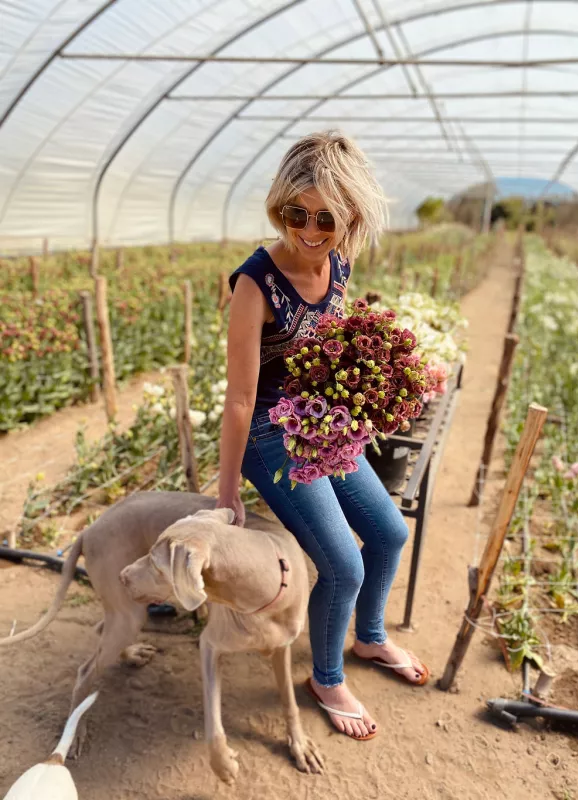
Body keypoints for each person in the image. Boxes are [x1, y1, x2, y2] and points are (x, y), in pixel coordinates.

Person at [217, 131, 428, 742]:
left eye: (325, 217)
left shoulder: (340, 265)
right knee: (341, 565)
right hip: (267, 435)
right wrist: (227, 493)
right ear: (279, 208)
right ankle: (326, 676)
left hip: (320, 426)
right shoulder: (255, 284)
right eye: (294, 213)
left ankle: (369, 638)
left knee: (389, 534)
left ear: (352, 217)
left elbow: (332, 342)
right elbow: (239, 398)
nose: (307, 228)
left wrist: (382, 377)